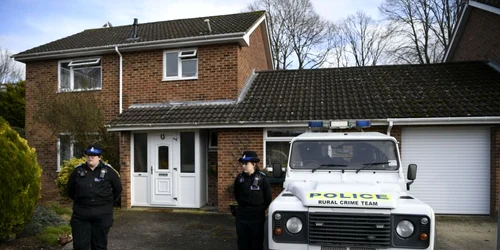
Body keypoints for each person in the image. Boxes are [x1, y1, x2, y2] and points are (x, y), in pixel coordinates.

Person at [67, 144, 122, 250]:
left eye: (93, 155)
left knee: (99, 246)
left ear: (99, 157)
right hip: (81, 215)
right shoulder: (78, 171)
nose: (90, 157)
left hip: (102, 215)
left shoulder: (109, 172)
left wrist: (107, 203)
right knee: (80, 246)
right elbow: (70, 190)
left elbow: (118, 189)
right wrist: (82, 201)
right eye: (88, 155)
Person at [233, 151, 272, 250]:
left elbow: (268, 198)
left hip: (257, 217)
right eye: (242, 164)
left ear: (254, 164)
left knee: (256, 242)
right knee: (242, 242)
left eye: (246, 164)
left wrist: (259, 209)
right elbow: (237, 195)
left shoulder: (262, 178)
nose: (243, 166)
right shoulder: (239, 178)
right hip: (242, 216)